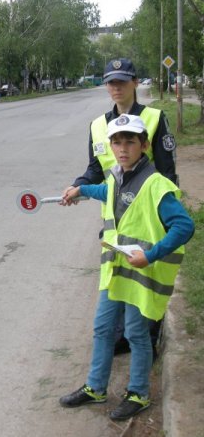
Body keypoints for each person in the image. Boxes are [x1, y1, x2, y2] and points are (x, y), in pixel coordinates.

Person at [58, 114, 194, 421]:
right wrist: (79, 191)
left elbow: (184, 226)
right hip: (117, 272)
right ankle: (95, 387)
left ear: (143, 145)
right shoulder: (117, 176)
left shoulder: (156, 184)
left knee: (135, 334)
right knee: (103, 328)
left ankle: (139, 393)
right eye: (116, 142)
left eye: (129, 142)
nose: (122, 148)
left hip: (140, 274)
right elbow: (105, 192)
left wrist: (152, 255)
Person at [64, 58, 178, 359]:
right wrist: (78, 186)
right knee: (117, 280)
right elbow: (94, 170)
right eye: (111, 82)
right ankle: (124, 337)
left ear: (135, 83)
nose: (116, 87)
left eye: (122, 81)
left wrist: (164, 218)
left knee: (146, 285)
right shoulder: (98, 125)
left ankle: (148, 338)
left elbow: (167, 173)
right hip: (115, 221)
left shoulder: (154, 118)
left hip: (147, 221)